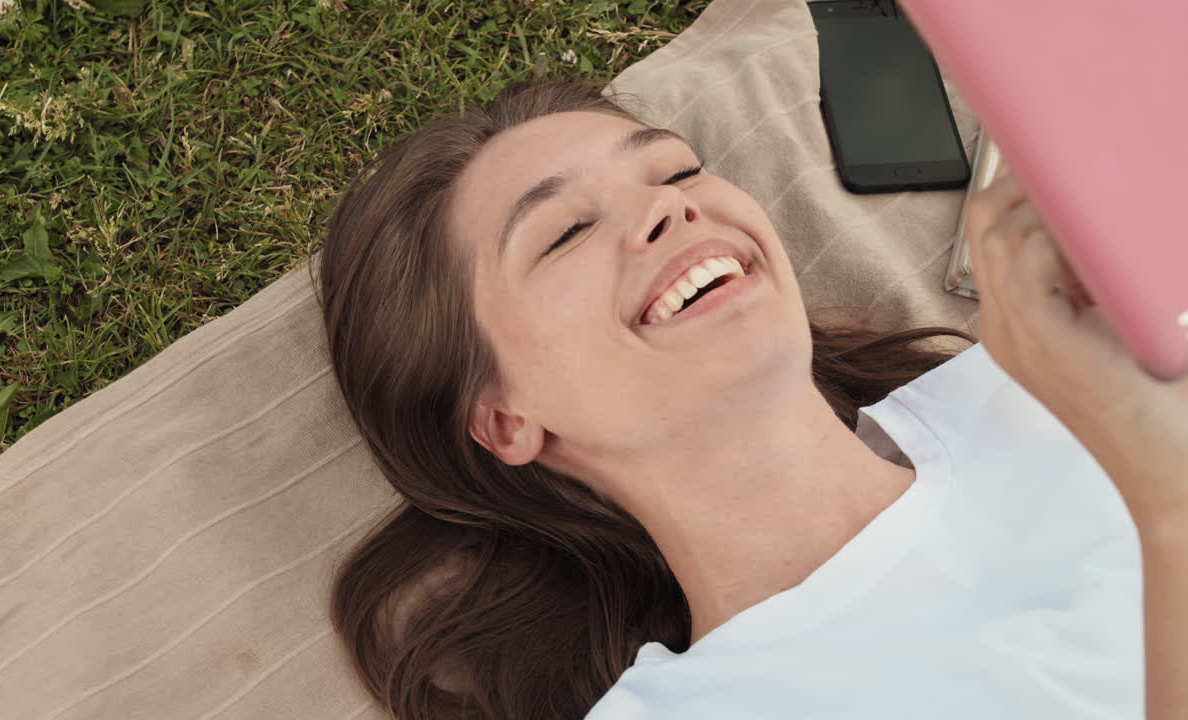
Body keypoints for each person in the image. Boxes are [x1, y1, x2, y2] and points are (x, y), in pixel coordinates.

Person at [314, 78, 1187, 719]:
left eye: (679, 170)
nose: (669, 211)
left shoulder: (1055, 373)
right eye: (566, 232)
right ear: (505, 421)